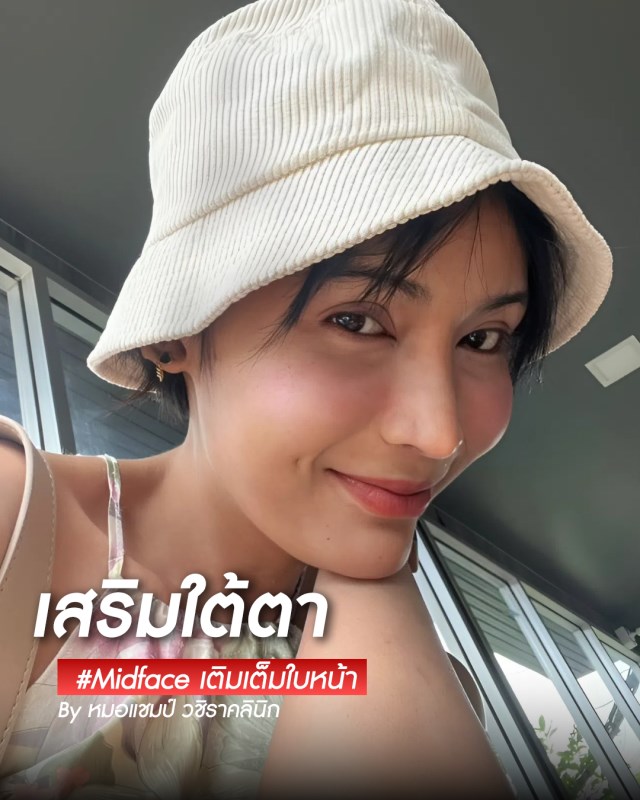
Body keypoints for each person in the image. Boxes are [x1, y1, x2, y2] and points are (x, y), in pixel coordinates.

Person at [0, 0, 612, 798]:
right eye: (356, 322)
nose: (437, 434)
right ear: (175, 333)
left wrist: (369, 574)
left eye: (484, 338)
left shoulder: (427, 684)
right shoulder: (18, 523)